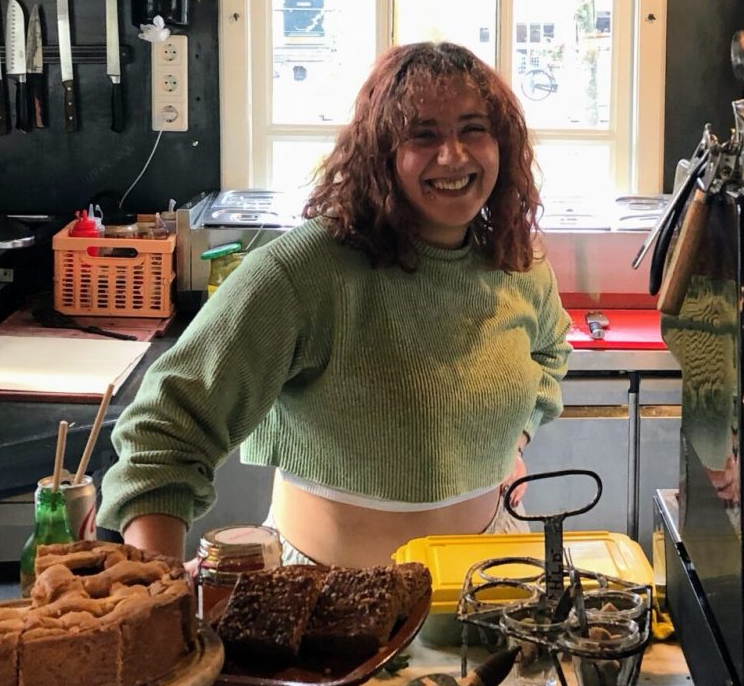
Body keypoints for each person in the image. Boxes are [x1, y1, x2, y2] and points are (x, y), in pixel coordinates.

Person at [97, 42, 573, 567]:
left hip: (488, 574)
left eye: (473, 129)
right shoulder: (305, 272)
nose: (453, 155)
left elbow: (549, 355)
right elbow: (165, 429)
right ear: (380, 153)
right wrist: (157, 591)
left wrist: (513, 439)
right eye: (424, 135)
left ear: (501, 143)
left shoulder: (519, 264)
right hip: (320, 590)